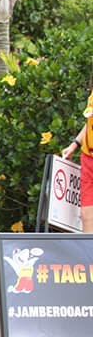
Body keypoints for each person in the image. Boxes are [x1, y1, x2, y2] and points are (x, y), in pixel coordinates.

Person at [60, 88, 93, 231]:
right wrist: (75, 144)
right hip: (88, 157)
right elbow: (89, 121)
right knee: (86, 214)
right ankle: (88, 252)